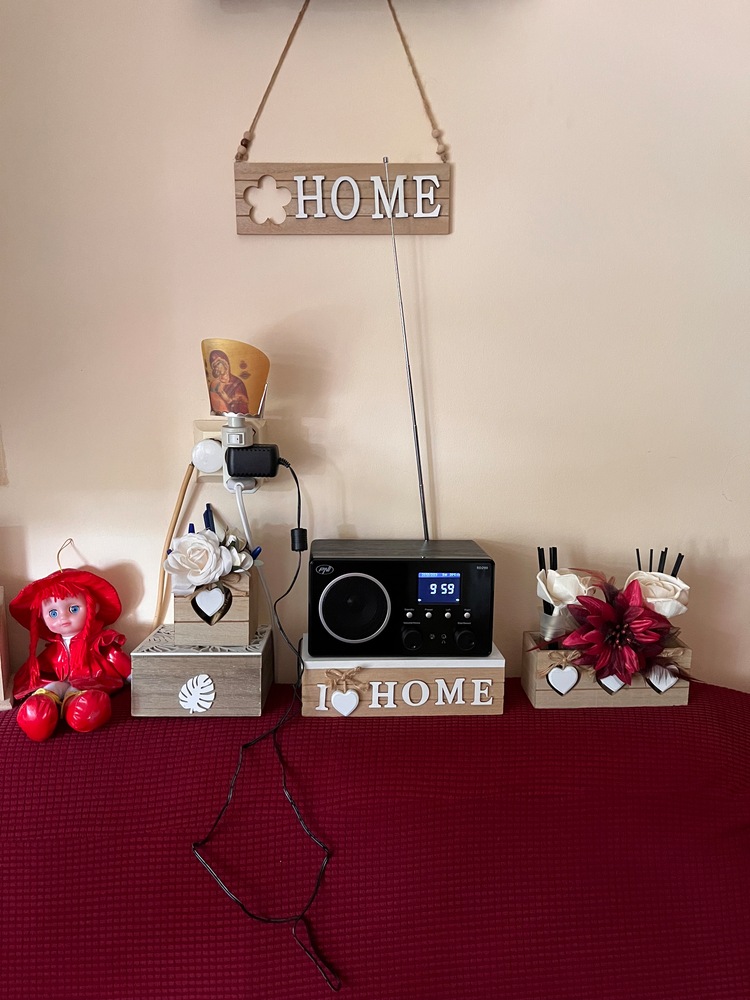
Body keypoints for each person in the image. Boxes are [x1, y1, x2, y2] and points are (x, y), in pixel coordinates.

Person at [9, 568, 131, 741]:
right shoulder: (54, 648)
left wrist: (134, 675)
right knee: (49, 691)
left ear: (93, 607)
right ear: (41, 616)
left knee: (83, 700)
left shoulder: (99, 641)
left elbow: (116, 657)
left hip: (89, 683)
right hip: (60, 681)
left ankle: (74, 706)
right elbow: (41, 667)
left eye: (73, 609)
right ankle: (40, 712)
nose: (63, 617)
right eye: (53, 613)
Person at [207, 349, 250, 414]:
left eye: (218, 364)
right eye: (215, 366)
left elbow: (244, 406)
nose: (217, 368)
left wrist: (229, 400)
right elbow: (215, 407)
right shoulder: (214, 384)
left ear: (225, 363)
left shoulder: (237, 383)